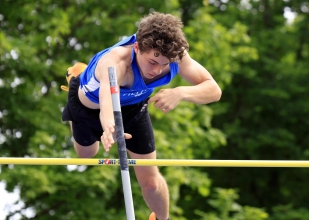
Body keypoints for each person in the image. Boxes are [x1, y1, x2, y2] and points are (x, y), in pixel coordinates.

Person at [61, 12, 222, 220]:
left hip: (134, 106)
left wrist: (181, 93)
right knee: (88, 154)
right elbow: (107, 103)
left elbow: (214, 90)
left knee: (151, 182)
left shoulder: (176, 55)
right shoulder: (115, 63)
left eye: (165, 64)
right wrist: (110, 127)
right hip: (91, 107)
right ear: (137, 47)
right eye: (152, 62)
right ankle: (79, 79)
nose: (158, 70)